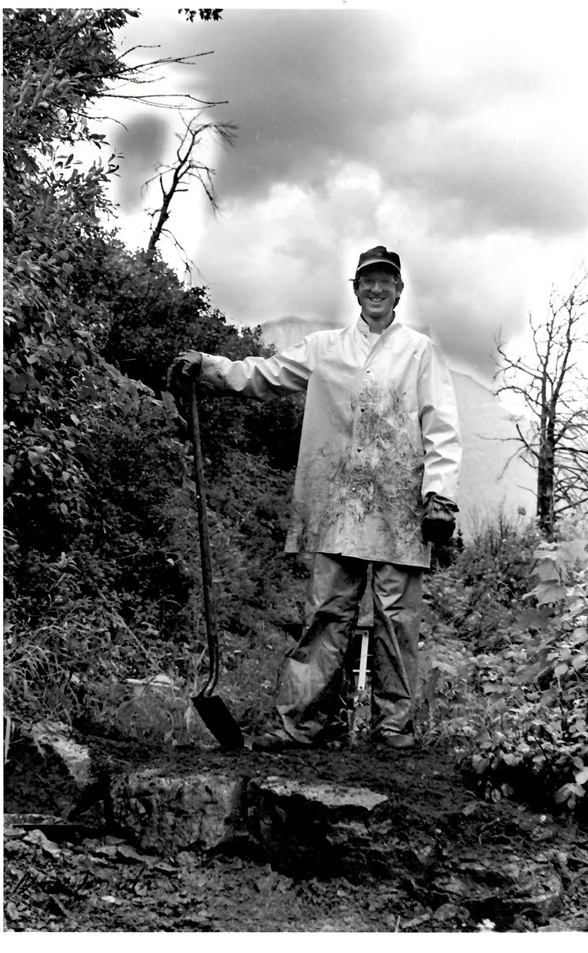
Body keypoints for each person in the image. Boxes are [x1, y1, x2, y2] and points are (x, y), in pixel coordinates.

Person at [169, 245, 462, 752]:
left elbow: (441, 425)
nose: (376, 289)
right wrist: (210, 367)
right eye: (367, 280)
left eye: (385, 281)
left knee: (397, 619)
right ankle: (303, 725)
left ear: (398, 290)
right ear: (355, 288)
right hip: (337, 505)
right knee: (328, 612)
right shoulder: (326, 348)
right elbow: (265, 374)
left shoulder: (419, 351)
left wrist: (440, 496)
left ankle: (394, 728)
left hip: (401, 508)